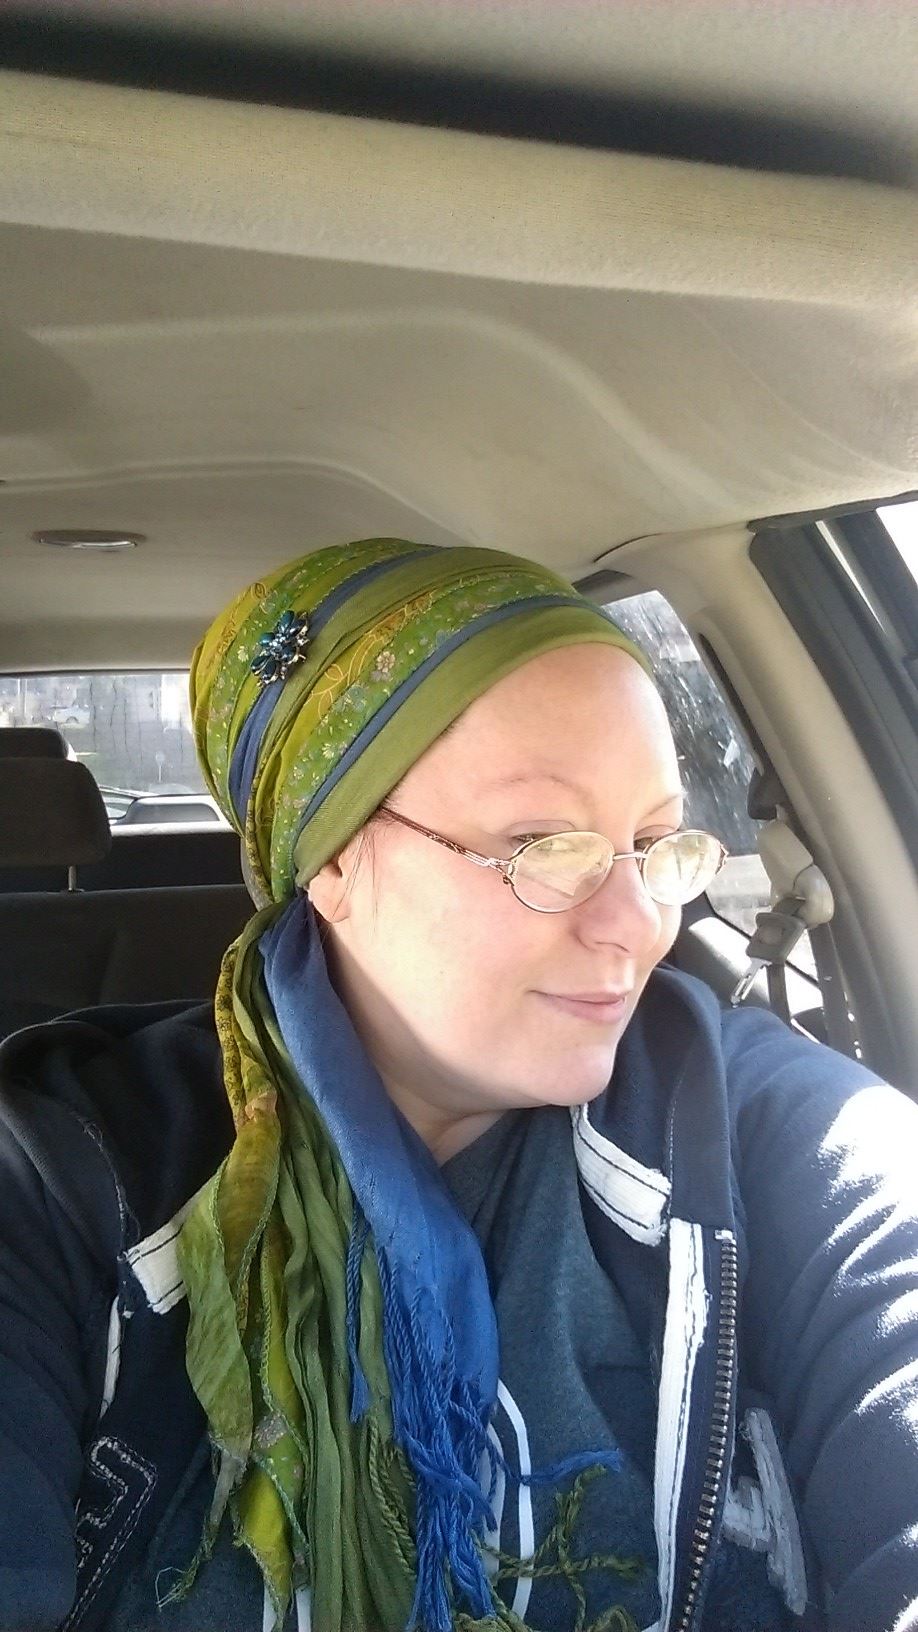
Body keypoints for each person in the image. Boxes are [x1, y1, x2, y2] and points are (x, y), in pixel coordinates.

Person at [1, 538, 916, 1632]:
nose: (637, 927)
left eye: (654, 841)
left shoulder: (768, 1139)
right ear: (333, 858)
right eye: (544, 843)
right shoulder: (60, 1180)